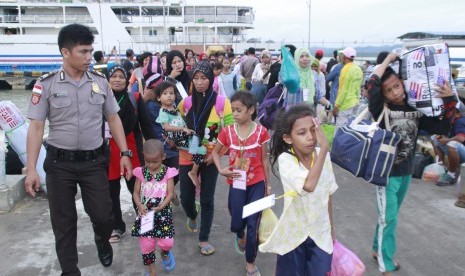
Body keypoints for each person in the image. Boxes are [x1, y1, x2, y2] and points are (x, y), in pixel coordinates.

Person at [25, 23, 132, 275]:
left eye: (90, 51)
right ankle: (70, 271)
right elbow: (36, 127)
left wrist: (126, 153)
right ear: (65, 52)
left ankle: (101, 238)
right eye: (83, 52)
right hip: (59, 164)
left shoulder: (100, 81)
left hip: (93, 162)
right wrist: (31, 169)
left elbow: (113, 119)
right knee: (63, 224)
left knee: (104, 217)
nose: (89, 57)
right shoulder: (46, 85)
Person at [367, 52, 457, 276]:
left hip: (406, 171)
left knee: (389, 215)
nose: (395, 92)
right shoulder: (382, 109)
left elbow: (443, 128)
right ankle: (385, 263)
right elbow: (372, 84)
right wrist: (387, 61)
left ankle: (378, 249)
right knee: (389, 218)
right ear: (384, 95)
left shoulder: (416, 109)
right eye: (389, 91)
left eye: (397, 86)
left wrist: (448, 99)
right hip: (386, 173)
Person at [260, 104, 337, 276]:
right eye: (302, 133)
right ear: (288, 138)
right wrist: (324, 148)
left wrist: (331, 229)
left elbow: (328, 194)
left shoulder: (323, 157)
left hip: (320, 234)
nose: (310, 137)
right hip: (293, 235)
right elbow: (309, 186)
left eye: (313, 130)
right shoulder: (286, 160)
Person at [177, 61, 234, 256]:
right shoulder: (185, 103)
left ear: (211, 79)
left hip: (210, 158)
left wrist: (216, 155)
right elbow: (177, 126)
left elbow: (229, 133)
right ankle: (192, 215)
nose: (200, 82)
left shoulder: (222, 103)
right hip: (188, 155)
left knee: (207, 199)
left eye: (204, 78)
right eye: (196, 78)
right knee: (186, 198)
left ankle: (203, 239)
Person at [212, 91, 270, 276]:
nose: (235, 114)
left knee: (253, 223)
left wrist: (267, 185)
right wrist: (221, 169)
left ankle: (250, 263)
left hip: (257, 182)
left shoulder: (262, 132)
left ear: (251, 110)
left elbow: (264, 160)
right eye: (233, 110)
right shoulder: (227, 131)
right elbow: (215, 152)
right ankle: (240, 234)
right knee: (237, 223)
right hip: (237, 181)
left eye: (239, 110)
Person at [106, 66, 155, 243]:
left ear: (127, 80)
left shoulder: (134, 98)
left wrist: (153, 148)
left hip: (132, 151)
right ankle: (117, 226)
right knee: (111, 192)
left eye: (121, 76)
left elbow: (146, 125)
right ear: (107, 80)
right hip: (108, 152)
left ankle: (145, 222)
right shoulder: (101, 99)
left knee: (138, 190)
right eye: (114, 76)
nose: (117, 79)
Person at [131, 139, 177, 275]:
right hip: (146, 212)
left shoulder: (169, 172)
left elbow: (171, 193)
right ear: (143, 157)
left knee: (167, 242)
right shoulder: (140, 172)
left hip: (163, 212)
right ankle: (152, 272)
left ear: (163, 157)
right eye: (148, 161)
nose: (151, 165)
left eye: (155, 161)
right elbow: (135, 192)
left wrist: (162, 206)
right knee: (147, 245)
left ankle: (164, 251)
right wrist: (139, 205)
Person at [143, 56, 181, 206]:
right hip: (156, 148)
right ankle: (166, 199)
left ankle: (170, 194)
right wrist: (144, 99)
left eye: (168, 92)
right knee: (157, 177)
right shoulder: (147, 103)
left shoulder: (174, 102)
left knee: (175, 175)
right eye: (151, 88)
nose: (167, 95)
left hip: (174, 148)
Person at [154, 81, 206, 187]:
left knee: (198, 145)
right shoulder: (163, 112)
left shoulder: (175, 109)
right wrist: (183, 129)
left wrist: (186, 128)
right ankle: (193, 172)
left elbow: (181, 122)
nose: (169, 95)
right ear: (159, 98)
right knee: (202, 150)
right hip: (178, 138)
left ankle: (194, 165)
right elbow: (166, 127)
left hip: (182, 136)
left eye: (171, 93)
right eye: (165, 93)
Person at [430, 110, 465, 186]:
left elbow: (461, 138)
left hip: (462, 151)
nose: (448, 113)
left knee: (452, 144)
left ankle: (451, 175)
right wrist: (440, 137)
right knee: (434, 138)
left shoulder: (460, 121)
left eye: (450, 111)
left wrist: (447, 140)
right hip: (459, 150)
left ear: (458, 114)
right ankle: (442, 167)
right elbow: (439, 134)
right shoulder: (449, 121)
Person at [332, 47, 363, 129]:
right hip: (355, 103)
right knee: (350, 130)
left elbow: (343, 90)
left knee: (340, 131)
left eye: (342, 55)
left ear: (344, 57)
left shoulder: (345, 69)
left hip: (345, 105)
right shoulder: (358, 69)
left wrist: (336, 106)